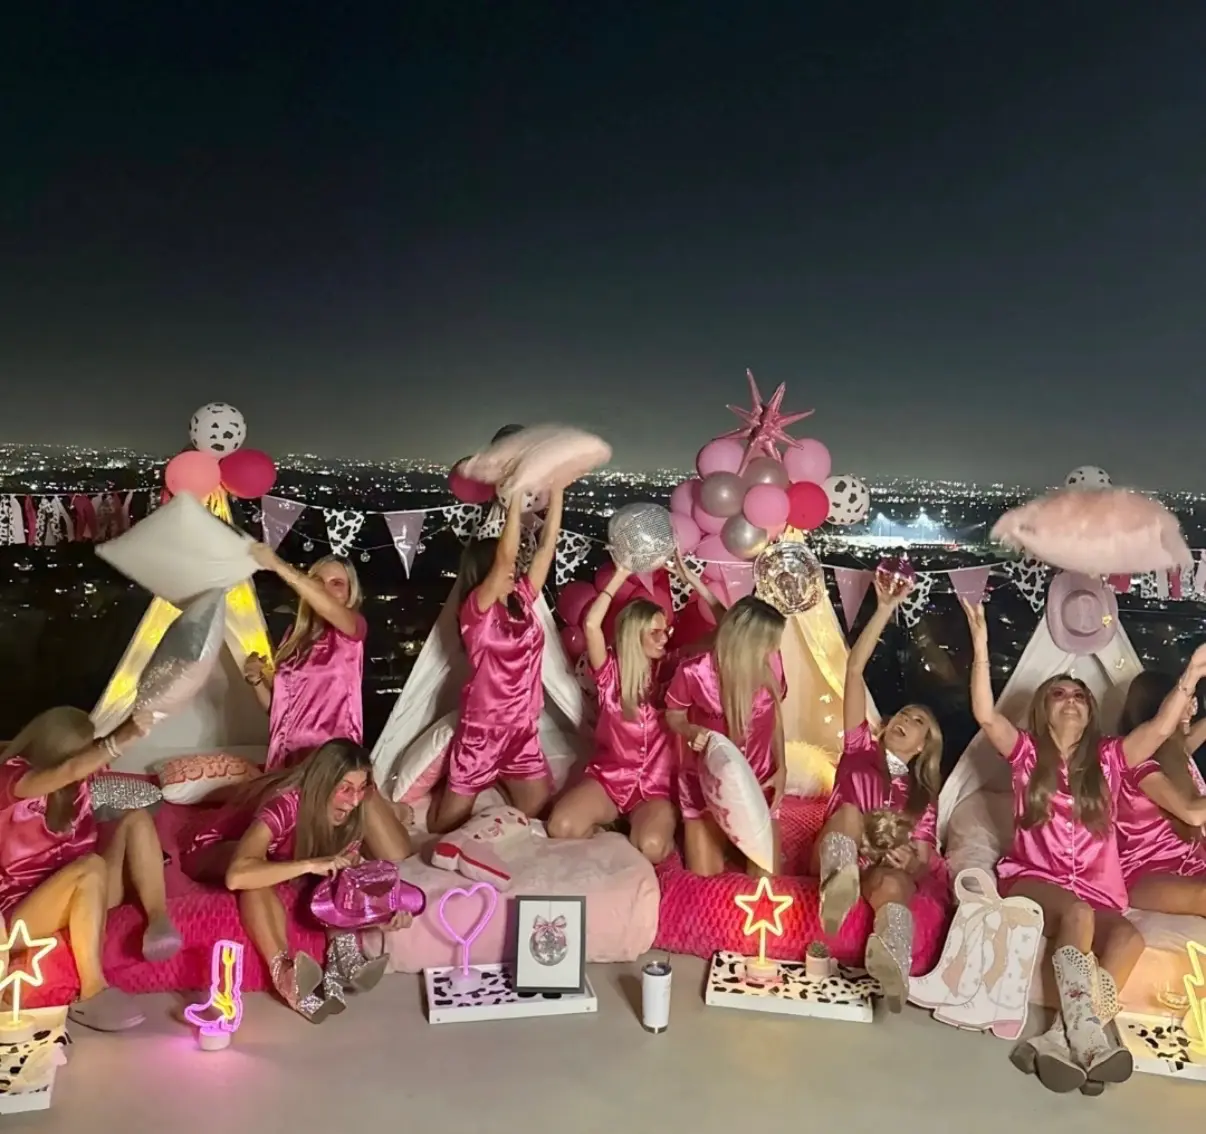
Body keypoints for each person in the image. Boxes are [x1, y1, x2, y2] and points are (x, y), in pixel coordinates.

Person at [964, 598, 1206, 1094]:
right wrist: (983, 644)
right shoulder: (1026, 753)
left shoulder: (1112, 759)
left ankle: (1059, 1037)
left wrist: (1190, 678)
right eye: (1060, 693)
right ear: (1043, 709)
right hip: (1034, 879)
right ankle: (1090, 1037)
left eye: (1080, 694)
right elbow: (986, 715)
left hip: (1098, 888)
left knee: (1129, 939)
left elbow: (1161, 729)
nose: (1072, 698)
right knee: (1076, 915)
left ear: (1092, 711)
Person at [181, 739, 410, 1023]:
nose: (354, 800)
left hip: (281, 857)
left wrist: (378, 912)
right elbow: (237, 875)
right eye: (345, 789)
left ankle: (343, 952)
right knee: (257, 878)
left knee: (338, 875)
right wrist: (310, 865)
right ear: (323, 785)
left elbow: (346, 880)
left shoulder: (352, 815)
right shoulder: (286, 804)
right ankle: (285, 974)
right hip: (217, 847)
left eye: (362, 789)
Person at [0, 707, 179, 1032]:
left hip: (81, 894)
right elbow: (70, 769)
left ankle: (158, 919)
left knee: (136, 819)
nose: (91, 760)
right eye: (87, 750)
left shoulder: (78, 783)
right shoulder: (13, 778)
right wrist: (121, 737)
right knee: (90, 867)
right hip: (22, 913)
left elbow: (82, 771)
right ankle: (92, 988)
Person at [812, 575, 944, 1013]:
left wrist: (910, 859)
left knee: (894, 883)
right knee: (849, 812)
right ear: (887, 724)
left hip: (876, 869)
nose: (908, 719)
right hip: (835, 852)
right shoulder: (858, 750)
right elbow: (853, 669)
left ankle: (890, 962)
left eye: (919, 721)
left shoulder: (922, 795)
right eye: (903, 714)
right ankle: (837, 885)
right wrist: (885, 607)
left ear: (924, 745)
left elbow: (924, 856)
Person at [546, 558, 721, 863]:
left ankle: (645, 827)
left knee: (652, 847)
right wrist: (623, 574)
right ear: (633, 634)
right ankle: (614, 826)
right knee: (560, 827)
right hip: (609, 780)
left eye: (665, 630)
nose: (664, 637)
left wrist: (691, 580)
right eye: (655, 631)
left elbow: (725, 630)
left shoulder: (675, 670)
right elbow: (590, 625)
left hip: (655, 789)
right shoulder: (610, 673)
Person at [243, 546, 411, 861]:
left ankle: (387, 811)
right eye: (318, 580)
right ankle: (381, 815)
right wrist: (255, 679)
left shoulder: (351, 630)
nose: (324, 587)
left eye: (337, 583)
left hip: (335, 765)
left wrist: (280, 566)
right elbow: (279, 715)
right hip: (291, 767)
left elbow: (334, 612)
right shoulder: (293, 639)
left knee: (396, 855)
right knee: (291, 854)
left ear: (350, 595)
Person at [428, 487, 563, 834]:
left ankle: (498, 793)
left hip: (522, 729)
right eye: (505, 566)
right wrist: (515, 498)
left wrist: (560, 489)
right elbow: (505, 557)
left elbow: (547, 549)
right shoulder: (476, 610)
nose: (513, 569)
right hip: (483, 730)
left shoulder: (521, 599)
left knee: (538, 815)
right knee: (447, 825)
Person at [666, 595, 787, 877]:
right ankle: (720, 838)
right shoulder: (695, 671)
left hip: (758, 785)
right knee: (706, 878)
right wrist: (689, 729)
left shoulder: (772, 667)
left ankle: (742, 842)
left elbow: (776, 720)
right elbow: (673, 714)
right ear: (748, 642)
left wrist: (782, 767)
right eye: (770, 642)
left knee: (766, 885)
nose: (775, 649)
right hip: (706, 787)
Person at [1116, 672, 1206, 911]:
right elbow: (1191, 813)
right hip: (1146, 869)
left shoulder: (1174, 752)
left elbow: (1191, 738)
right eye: (1187, 699)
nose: (1193, 706)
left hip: (1191, 860)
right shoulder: (1138, 763)